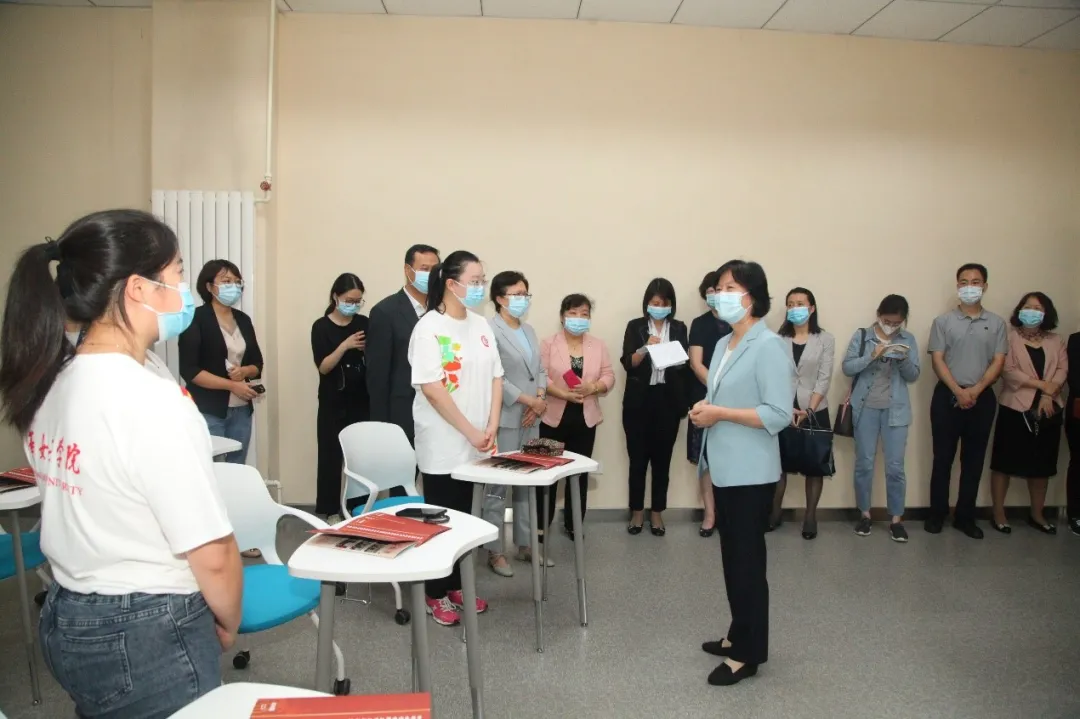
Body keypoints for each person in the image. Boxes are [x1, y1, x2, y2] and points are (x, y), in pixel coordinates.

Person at [0, 210, 242, 717]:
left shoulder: (51, 380)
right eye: (178, 274)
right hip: (146, 627)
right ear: (138, 288)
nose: (184, 292)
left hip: (69, 611)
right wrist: (226, 619)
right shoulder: (147, 399)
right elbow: (213, 553)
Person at [690, 260, 793, 687]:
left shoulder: (769, 346)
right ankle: (737, 633)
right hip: (725, 467)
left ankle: (748, 655)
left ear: (752, 296)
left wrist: (720, 414)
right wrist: (706, 408)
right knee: (733, 560)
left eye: (729, 287)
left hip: (751, 472)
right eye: (718, 287)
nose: (720, 294)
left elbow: (778, 413)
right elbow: (721, 394)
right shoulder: (723, 343)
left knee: (747, 565)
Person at [408, 250, 502, 626]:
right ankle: (434, 592)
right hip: (444, 444)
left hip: (478, 442)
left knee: (466, 519)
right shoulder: (429, 327)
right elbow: (433, 389)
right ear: (451, 283)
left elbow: (496, 376)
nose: (480, 288)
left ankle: (457, 585)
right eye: (474, 281)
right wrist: (471, 432)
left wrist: (491, 425)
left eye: (482, 281)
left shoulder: (481, 325)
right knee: (441, 521)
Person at [926, 263, 1007, 539]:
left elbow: (998, 361)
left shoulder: (996, 323)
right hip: (947, 396)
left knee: (973, 461)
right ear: (957, 286)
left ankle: (965, 517)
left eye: (975, 282)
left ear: (985, 286)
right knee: (942, 459)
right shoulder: (943, 322)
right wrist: (958, 391)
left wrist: (976, 390)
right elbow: (938, 360)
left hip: (982, 399)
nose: (969, 286)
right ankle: (937, 514)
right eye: (963, 282)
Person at [482, 271, 548, 576]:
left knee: (528, 482)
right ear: (499, 298)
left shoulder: (529, 329)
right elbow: (495, 375)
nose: (523, 299)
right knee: (498, 485)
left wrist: (540, 398)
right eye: (517, 294)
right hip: (507, 416)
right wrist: (528, 401)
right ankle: (494, 550)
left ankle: (525, 543)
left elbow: (540, 370)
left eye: (526, 294)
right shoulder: (489, 329)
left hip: (532, 417)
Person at [842, 294, 921, 542]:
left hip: (896, 410)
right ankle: (864, 515)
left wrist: (903, 360)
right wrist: (872, 356)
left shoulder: (908, 339)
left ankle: (896, 519)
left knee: (895, 467)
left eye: (897, 323)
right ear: (879, 315)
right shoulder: (862, 336)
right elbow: (847, 367)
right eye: (887, 321)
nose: (891, 326)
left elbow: (914, 375)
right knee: (864, 463)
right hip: (865, 408)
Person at [538, 294, 615, 543]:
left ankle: (574, 525)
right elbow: (541, 376)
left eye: (584, 314)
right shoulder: (548, 343)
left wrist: (594, 387)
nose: (578, 318)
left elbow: (609, 375)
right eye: (573, 313)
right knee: (547, 474)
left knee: (578, 474)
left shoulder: (598, 345)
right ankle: (541, 525)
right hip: (553, 417)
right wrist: (563, 393)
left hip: (585, 418)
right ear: (562, 317)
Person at [988, 292, 1067, 535]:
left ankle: (1037, 514)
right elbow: (1008, 371)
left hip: (1049, 409)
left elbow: (1062, 369)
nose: (1032, 311)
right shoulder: (1009, 338)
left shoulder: (1056, 340)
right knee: (1004, 463)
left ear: (1046, 313)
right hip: (1015, 407)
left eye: (1038, 308)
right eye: (1027, 306)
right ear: (1019, 310)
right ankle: (999, 513)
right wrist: (1042, 386)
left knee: (1042, 464)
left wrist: (1048, 394)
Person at [620, 278, 690, 536]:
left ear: (671, 305)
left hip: (667, 400)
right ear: (647, 303)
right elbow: (628, 363)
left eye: (664, 303)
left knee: (662, 461)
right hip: (639, 401)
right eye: (654, 302)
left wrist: (676, 359)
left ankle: (657, 513)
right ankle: (637, 512)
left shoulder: (679, 328)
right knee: (637, 460)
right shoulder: (635, 326)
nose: (659, 307)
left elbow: (685, 365)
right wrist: (645, 348)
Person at [178, 259, 264, 465]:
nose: (233, 286)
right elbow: (190, 370)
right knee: (212, 468)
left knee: (237, 468)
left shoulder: (243, 319)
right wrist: (231, 385)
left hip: (241, 408)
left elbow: (257, 363)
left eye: (237, 281)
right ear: (209, 286)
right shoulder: (195, 318)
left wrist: (244, 371)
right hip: (209, 408)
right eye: (226, 281)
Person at [772, 287, 835, 540]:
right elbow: (774, 376)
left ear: (811, 308)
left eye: (800, 303)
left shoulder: (825, 339)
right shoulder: (777, 339)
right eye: (790, 304)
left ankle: (810, 516)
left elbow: (824, 377)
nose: (794, 308)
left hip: (815, 408)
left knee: (814, 465)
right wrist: (786, 408)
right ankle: (774, 512)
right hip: (783, 408)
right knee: (778, 464)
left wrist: (809, 410)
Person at [366, 244, 441, 445]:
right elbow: (377, 376)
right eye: (425, 269)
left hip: (439, 415)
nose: (431, 275)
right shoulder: (385, 312)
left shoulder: (441, 310)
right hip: (402, 417)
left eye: (434, 270)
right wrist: (381, 426)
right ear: (408, 270)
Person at [311, 273, 369, 518]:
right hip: (332, 401)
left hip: (362, 400)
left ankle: (359, 509)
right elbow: (324, 367)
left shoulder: (364, 323)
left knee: (360, 459)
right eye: (349, 300)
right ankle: (330, 511)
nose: (353, 305)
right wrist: (345, 346)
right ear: (335, 297)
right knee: (330, 457)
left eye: (357, 301)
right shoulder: (321, 327)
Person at [688, 270, 732, 537]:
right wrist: (717, 389)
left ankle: (729, 514)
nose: (715, 295)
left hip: (735, 403)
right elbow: (696, 363)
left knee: (729, 458)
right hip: (703, 398)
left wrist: (729, 391)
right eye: (710, 291)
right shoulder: (700, 323)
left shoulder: (739, 323)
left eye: (720, 290)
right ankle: (709, 514)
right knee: (706, 461)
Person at [1065, 330, 1080, 536]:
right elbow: (1075, 379)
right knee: (1078, 462)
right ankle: (1076, 513)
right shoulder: (1076, 340)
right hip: (1078, 411)